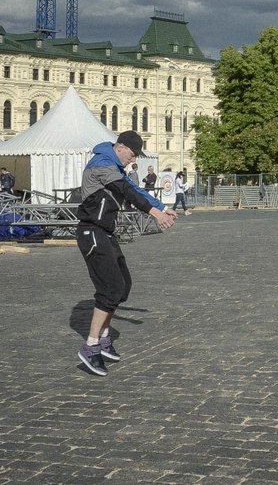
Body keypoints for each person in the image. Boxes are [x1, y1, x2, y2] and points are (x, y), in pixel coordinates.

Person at [75, 130, 176, 376]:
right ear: (120, 147)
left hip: (105, 233)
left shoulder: (115, 166)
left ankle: (105, 336)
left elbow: (134, 188)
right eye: (132, 155)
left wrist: (163, 207)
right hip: (91, 231)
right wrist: (156, 215)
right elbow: (126, 191)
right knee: (109, 289)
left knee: (123, 287)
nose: (133, 160)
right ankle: (91, 346)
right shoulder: (101, 163)